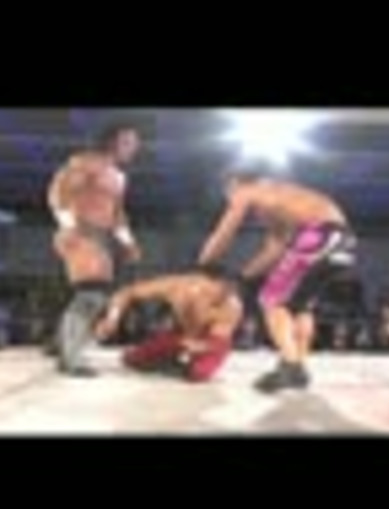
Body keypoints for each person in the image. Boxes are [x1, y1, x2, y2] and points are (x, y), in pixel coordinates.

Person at [197, 168, 357, 393]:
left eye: (228, 194)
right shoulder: (282, 201)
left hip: (320, 236)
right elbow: (275, 249)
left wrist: (205, 261)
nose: (230, 200)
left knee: (271, 299)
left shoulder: (247, 191)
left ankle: (290, 367)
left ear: (234, 184)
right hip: (343, 242)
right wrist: (243, 276)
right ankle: (299, 364)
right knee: (300, 306)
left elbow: (226, 230)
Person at [47, 123, 143, 377]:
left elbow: (117, 213)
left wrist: (127, 241)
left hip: (102, 236)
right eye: (127, 142)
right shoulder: (85, 163)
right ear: (111, 141)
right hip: (81, 231)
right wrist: (69, 227)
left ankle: (63, 346)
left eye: (135, 143)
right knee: (91, 294)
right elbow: (58, 192)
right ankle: (70, 358)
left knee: (96, 295)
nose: (133, 148)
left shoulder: (119, 177)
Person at [94, 266, 243, 383]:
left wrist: (195, 346)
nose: (225, 293)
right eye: (222, 288)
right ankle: (169, 361)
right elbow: (127, 292)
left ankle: (179, 364)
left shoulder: (231, 306)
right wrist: (112, 318)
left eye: (228, 290)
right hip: (180, 335)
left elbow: (217, 341)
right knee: (131, 359)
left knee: (199, 373)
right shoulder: (176, 287)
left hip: (210, 341)